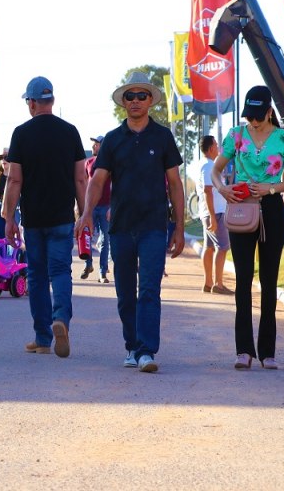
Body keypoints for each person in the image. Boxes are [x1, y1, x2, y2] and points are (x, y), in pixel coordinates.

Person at [77, 71, 185, 373]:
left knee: (149, 290)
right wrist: (86, 213)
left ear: (150, 100)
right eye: (130, 96)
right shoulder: (113, 139)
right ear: (123, 102)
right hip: (121, 227)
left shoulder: (163, 137)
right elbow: (97, 181)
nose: (136, 101)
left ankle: (146, 351)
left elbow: (175, 184)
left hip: (154, 226)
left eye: (141, 95)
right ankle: (132, 346)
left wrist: (179, 227)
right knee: (125, 294)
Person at [211, 85, 284, 370]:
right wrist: (223, 189)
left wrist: (271, 188)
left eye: (258, 116)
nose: (253, 121)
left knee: (269, 280)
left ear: (269, 111)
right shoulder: (236, 135)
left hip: (272, 209)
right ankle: (244, 350)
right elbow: (216, 170)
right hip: (241, 207)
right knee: (243, 279)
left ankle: (268, 352)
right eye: (249, 116)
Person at [3, 76, 87, 359]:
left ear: (31, 103)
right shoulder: (70, 132)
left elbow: (14, 180)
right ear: (51, 101)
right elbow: (80, 178)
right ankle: (60, 318)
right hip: (62, 217)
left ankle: (42, 337)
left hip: (34, 219)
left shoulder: (21, 134)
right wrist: (84, 214)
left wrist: (8, 217)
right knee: (61, 271)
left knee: (37, 275)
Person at [196, 135, 232, 295]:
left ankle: (208, 283)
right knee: (222, 247)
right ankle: (218, 284)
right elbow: (207, 190)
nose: (218, 148)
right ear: (211, 148)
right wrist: (212, 216)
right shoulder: (209, 166)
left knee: (209, 247)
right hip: (215, 212)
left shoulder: (204, 164)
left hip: (210, 212)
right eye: (216, 145)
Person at [81, 135, 111, 283]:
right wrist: (81, 207)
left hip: (106, 207)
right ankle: (88, 264)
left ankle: (102, 272)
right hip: (91, 207)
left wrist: (113, 206)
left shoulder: (111, 162)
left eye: (96, 144)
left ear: (102, 146)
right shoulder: (88, 162)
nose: (93, 146)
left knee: (105, 240)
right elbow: (84, 184)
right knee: (87, 236)